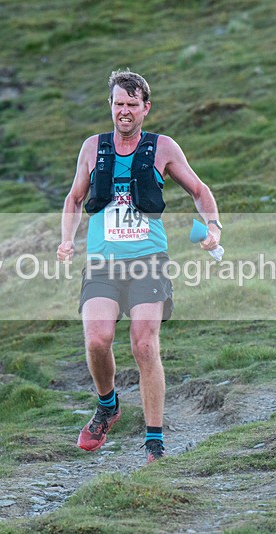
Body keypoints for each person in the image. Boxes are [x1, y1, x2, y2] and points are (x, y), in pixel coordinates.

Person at [56, 69, 222, 463]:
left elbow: (200, 191)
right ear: (110, 105)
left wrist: (213, 226)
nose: (124, 111)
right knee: (97, 339)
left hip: (148, 260)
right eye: (118, 103)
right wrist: (66, 238)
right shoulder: (92, 148)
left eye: (132, 104)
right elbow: (74, 199)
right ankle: (107, 405)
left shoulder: (163, 148)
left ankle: (154, 442)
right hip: (102, 263)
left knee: (145, 345)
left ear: (146, 107)